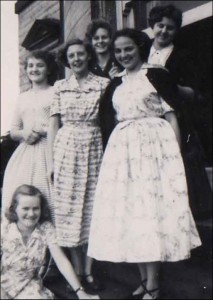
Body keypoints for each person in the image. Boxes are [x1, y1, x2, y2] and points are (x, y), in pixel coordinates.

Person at [88, 28, 201, 300]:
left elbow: (172, 115)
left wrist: (173, 155)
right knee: (131, 213)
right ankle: (143, 278)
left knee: (149, 212)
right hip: (123, 151)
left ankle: (153, 283)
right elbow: (109, 119)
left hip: (154, 148)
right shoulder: (115, 83)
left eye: (128, 48)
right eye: (118, 51)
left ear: (139, 47)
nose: (123, 54)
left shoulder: (156, 75)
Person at [47, 39, 109, 294]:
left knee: (93, 208)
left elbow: (108, 121)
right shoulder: (60, 87)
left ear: (88, 56)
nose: (76, 59)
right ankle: (77, 269)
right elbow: (53, 125)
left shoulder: (103, 84)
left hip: (94, 147)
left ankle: (89, 270)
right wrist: (51, 162)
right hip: (66, 149)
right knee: (70, 210)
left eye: (80, 54)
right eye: (71, 55)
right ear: (66, 59)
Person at [146, 4, 212, 219]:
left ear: (176, 31)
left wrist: (170, 84)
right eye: (160, 26)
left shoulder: (184, 56)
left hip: (176, 122)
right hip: (145, 123)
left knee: (178, 176)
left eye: (170, 28)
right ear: (152, 26)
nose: (164, 31)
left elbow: (195, 92)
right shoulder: (139, 51)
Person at [0, 184, 99, 299]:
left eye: (35, 208)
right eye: (25, 208)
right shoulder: (4, 229)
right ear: (14, 208)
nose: (31, 214)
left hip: (28, 287)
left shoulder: (46, 229)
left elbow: (62, 261)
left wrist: (80, 292)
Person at [1, 50, 58, 222]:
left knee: (48, 193)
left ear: (48, 69)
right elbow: (14, 130)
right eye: (31, 66)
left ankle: (50, 239)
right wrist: (24, 134)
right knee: (21, 192)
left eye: (40, 65)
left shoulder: (56, 92)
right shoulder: (22, 98)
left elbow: (60, 125)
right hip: (25, 153)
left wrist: (43, 131)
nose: (35, 69)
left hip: (48, 149)